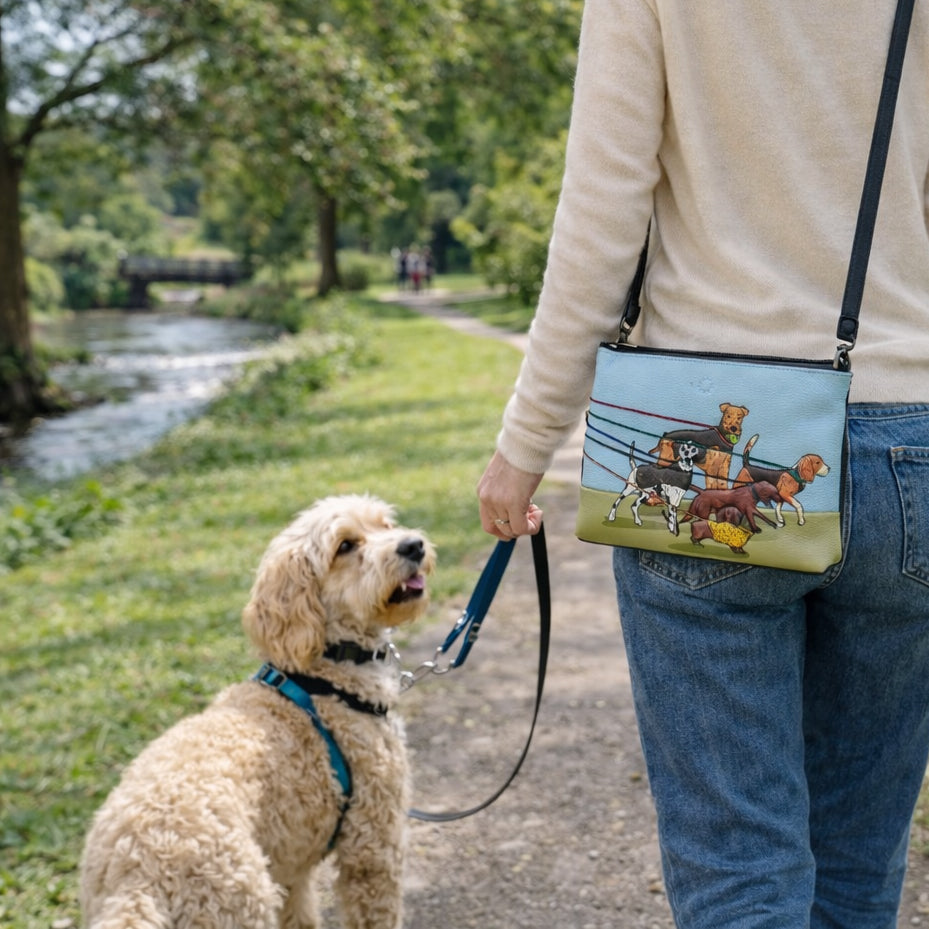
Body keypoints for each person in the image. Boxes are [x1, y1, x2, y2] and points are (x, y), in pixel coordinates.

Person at [477, 3, 929, 927]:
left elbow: (603, 217)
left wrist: (526, 445)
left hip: (701, 443)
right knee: (856, 863)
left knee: (737, 870)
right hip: (910, 437)